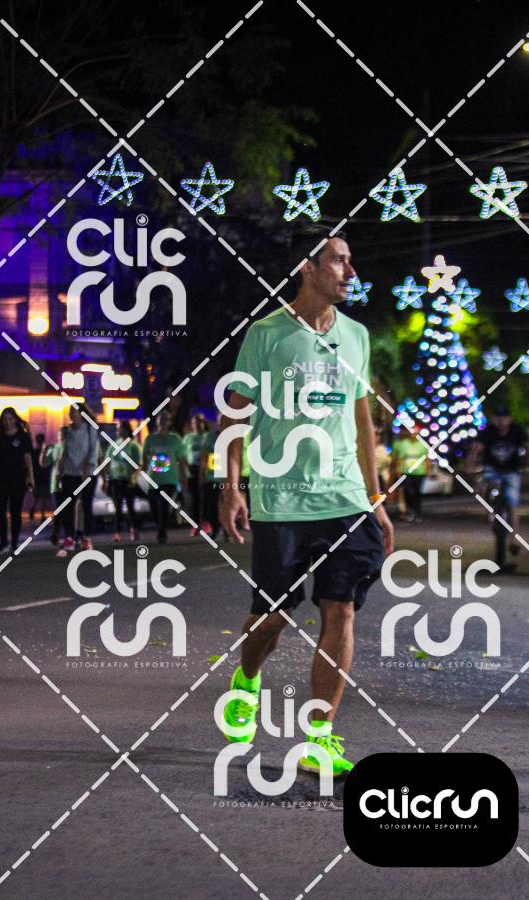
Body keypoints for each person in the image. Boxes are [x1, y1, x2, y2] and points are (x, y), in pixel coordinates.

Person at [219, 228, 394, 776]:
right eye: (339, 261)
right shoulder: (267, 334)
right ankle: (247, 679)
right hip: (281, 500)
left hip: (344, 497)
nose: (351, 272)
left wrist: (375, 497)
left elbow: (362, 421)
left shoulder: (356, 336)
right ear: (308, 268)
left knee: (340, 610)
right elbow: (235, 412)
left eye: (350, 260)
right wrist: (231, 486)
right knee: (270, 618)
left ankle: (319, 737)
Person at [468, 405, 528, 553]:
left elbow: (527, 447)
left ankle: (514, 539)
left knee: (512, 503)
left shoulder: (517, 431)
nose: (501, 421)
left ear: (509, 419)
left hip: (512, 470)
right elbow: (476, 449)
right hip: (492, 469)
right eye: (498, 418)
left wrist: (528, 462)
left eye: (504, 418)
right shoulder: (488, 431)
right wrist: (469, 465)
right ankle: (486, 509)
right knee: (484, 485)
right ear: (495, 419)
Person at [0, 407, 34, 553]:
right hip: (1, 478)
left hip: (18, 478)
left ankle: (14, 542)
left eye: (10, 419)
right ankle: (3, 541)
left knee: (15, 511)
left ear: (15, 419)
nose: (8, 422)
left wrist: (30, 477)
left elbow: (28, 459)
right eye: (5, 420)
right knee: (0, 510)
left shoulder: (23, 437)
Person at [58, 404, 99, 554]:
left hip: (87, 472)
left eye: (74, 412)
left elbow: (93, 450)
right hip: (70, 472)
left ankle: (86, 538)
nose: (72, 415)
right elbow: (65, 450)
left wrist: (87, 468)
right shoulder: (67, 431)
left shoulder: (89, 429)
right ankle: (69, 537)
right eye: (70, 412)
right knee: (68, 506)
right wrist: (60, 467)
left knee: (86, 505)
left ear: (81, 414)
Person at [142, 410, 186, 543]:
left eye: (166, 419)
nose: (163, 421)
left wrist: (183, 477)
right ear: (157, 422)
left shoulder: (175, 439)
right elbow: (145, 456)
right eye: (161, 419)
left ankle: (162, 533)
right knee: (154, 507)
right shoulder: (150, 439)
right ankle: (160, 526)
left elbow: (181, 460)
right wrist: (143, 469)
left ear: (169, 422)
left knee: (164, 505)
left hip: (170, 479)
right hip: (154, 479)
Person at [104, 421, 142, 542]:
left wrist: (134, 479)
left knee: (130, 507)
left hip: (128, 480)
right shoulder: (114, 445)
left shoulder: (133, 446)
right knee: (118, 508)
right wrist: (107, 478)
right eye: (117, 429)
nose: (118, 431)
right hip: (115, 480)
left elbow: (138, 465)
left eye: (120, 428)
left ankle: (134, 529)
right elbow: (107, 461)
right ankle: (117, 532)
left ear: (126, 429)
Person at [391, 425, 430, 522]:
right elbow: (400, 459)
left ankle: (418, 512)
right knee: (407, 491)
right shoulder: (404, 444)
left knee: (417, 492)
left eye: (416, 433)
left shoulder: (423, 445)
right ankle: (410, 510)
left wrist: (427, 471)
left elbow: (426, 459)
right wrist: (398, 470)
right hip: (406, 472)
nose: (414, 435)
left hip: (419, 472)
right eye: (412, 433)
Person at [181, 413, 210, 533]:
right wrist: (184, 472)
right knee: (194, 498)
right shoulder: (188, 438)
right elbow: (183, 456)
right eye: (194, 422)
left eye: (199, 422)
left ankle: (206, 522)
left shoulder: (208, 436)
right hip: (192, 469)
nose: (197, 425)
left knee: (207, 497)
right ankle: (195, 524)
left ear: (204, 423)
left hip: (207, 469)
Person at [40, 427, 66, 545]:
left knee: (69, 509)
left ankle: (70, 534)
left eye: (64, 434)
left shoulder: (73, 448)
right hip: (56, 483)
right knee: (58, 508)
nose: (62, 437)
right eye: (60, 434)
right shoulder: (55, 448)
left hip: (70, 481)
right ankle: (56, 533)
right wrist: (44, 451)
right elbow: (44, 463)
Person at [200, 416, 223, 540]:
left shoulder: (232, 436)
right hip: (211, 476)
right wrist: (202, 474)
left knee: (225, 505)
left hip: (226, 477)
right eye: (220, 420)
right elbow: (204, 456)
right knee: (212, 505)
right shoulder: (210, 437)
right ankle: (215, 529)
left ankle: (227, 531)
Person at [28, 433, 51, 521]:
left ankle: (33, 508)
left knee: (37, 497)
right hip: (44, 476)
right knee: (44, 497)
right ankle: (42, 515)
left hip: (36, 477)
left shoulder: (34, 452)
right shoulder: (46, 452)